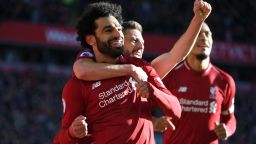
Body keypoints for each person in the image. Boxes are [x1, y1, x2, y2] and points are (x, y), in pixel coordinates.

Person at [72, 0, 212, 133]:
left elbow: (175, 56)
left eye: (142, 42)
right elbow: (81, 69)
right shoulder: (93, 59)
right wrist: (130, 70)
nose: (140, 47)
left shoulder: (144, 69)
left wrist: (198, 20)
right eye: (133, 40)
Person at [53, 2, 181, 144]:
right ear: (91, 39)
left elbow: (176, 109)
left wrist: (153, 91)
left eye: (119, 29)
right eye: (108, 30)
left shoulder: (140, 66)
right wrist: (71, 132)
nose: (118, 34)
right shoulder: (77, 86)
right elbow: (60, 141)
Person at [161, 22, 237, 144]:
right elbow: (144, 108)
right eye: (198, 34)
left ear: (212, 41)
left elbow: (230, 117)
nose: (203, 38)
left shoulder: (225, 81)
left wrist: (227, 129)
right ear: (187, 41)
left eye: (207, 34)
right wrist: (154, 122)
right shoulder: (169, 75)